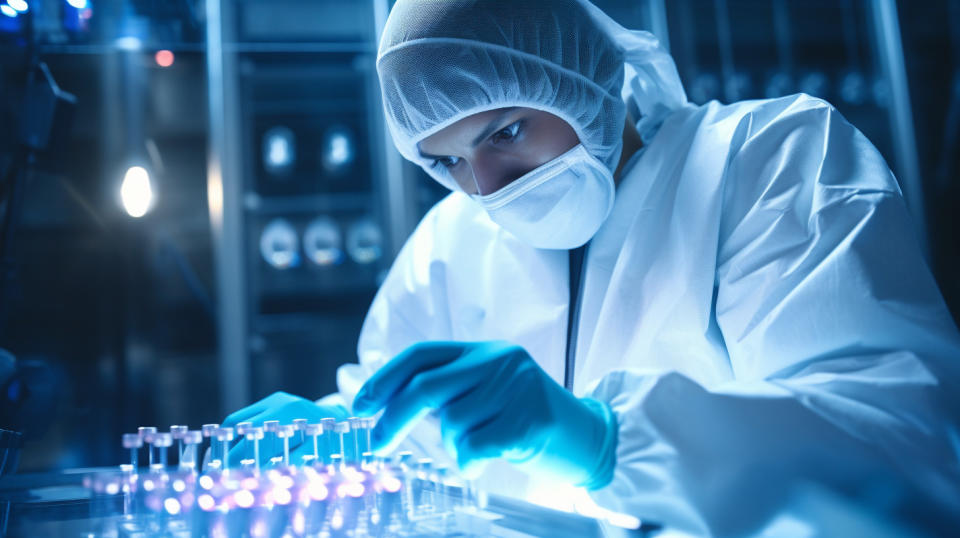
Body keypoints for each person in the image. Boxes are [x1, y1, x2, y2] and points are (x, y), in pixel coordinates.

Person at [222, 0, 960, 534]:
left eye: (506, 131)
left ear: (583, 78)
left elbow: (903, 448)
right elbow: (408, 435)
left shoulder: (767, 161)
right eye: (446, 161)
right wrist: (337, 434)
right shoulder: (450, 242)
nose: (486, 186)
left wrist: (602, 439)